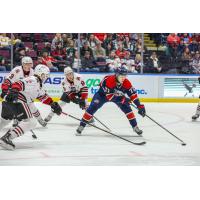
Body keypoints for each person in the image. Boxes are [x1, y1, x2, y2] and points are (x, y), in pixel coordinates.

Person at [0, 65, 62, 150]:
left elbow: (43, 97)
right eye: (46, 75)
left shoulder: (39, 84)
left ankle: (7, 136)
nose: (46, 77)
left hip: (9, 101)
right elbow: (18, 83)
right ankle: (7, 138)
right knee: (31, 122)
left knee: (4, 120)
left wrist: (53, 104)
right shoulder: (33, 79)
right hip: (17, 101)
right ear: (42, 74)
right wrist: (14, 90)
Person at [76, 65, 146, 136]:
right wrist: (123, 99)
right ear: (116, 75)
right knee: (92, 108)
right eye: (121, 76)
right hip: (102, 95)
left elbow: (133, 95)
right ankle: (81, 125)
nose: (123, 78)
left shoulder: (126, 82)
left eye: (125, 76)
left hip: (118, 97)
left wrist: (139, 106)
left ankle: (135, 127)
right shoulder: (110, 80)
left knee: (128, 110)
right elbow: (110, 97)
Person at [1, 57, 47, 127]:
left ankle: (40, 119)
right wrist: (4, 90)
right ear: (22, 64)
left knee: (32, 106)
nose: (28, 66)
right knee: (14, 105)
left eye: (30, 64)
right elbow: (7, 80)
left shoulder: (33, 72)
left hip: (25, 92)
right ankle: (15, 119)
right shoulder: (17, 70)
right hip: (13, 91)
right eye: (26, 64)